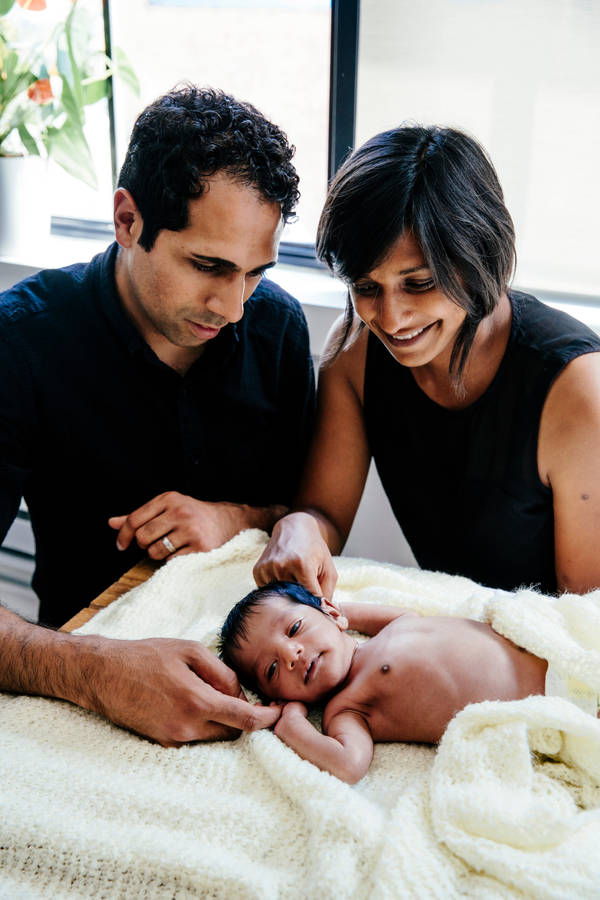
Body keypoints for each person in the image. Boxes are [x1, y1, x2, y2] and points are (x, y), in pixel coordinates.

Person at [0, 85, 315, 744]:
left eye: (255, 272)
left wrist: (233, 517)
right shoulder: (20, 343)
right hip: (87, 670)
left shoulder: (277, 327)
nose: (233, 307)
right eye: (208, 265)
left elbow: (305, 516)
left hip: (271, 676)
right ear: (127, 220)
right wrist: (97, 673)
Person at [254, 125, 600, 600]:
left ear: (479, 254)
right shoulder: (355, 352)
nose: (391, 319)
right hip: (450, 621)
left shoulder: (578, 389)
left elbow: (583, 624)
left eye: (418, 283)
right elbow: (325, 516)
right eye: (366, 287)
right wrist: (299, 527)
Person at [219, 581, 548, 783]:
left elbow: (398, 615)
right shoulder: (347, 708)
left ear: (331, 613)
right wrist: (292, 725)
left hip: (547, 647)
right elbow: (348, 765)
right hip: (544, 702)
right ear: (274, 695)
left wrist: (336, 613)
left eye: (294, 629)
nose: (291, 654)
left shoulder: (393, 625)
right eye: (272, 669)